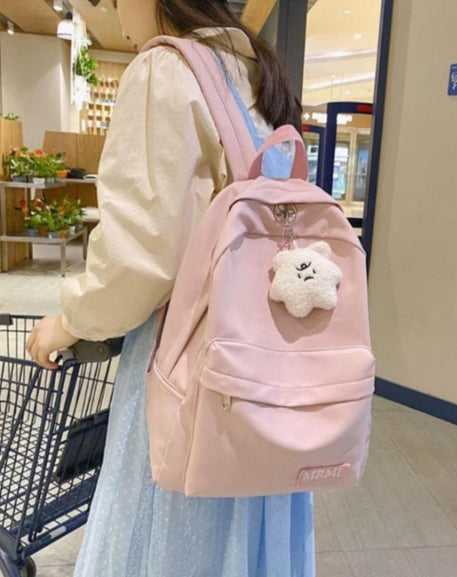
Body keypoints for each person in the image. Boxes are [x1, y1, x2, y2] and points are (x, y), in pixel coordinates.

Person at [25, 1, 315, 575]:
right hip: (266, 377)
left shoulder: (167, 69)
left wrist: (67, 322)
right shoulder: (257, 71)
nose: (116, 13)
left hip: (192, 376)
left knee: (174, 534)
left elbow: (142, 258)